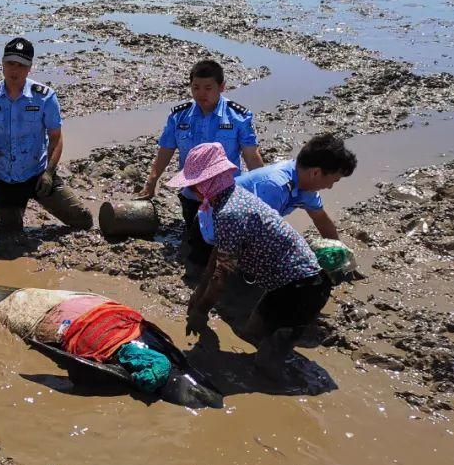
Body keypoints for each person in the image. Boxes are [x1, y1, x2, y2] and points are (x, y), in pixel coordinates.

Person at [173, 143, 331, 381]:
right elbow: (219, 251)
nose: (192, 191)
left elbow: (221, 278)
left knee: (267, 363)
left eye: (193, 185)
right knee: (251, 333)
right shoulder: (231, 196)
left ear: (202, 186)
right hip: (289, 284)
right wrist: (198, 292)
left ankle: (294, 382)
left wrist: (201, 311)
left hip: (303, 288)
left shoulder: (229, 212)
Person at [138, 59, 263, 265]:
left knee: (226, 252)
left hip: (226, 197)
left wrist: (261, 192)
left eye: (208, 88)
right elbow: (165, 151)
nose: (201, 94)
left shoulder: (238, 117)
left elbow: (252, 156)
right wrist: (151, 182)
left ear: (221, 87)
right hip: (192, 195)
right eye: (196, 87)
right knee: (197, 247)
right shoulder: (179, 116)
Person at [0, 38, 93, 236]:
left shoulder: (44, 97)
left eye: (21, 65)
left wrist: (49, 173)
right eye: (10, 63)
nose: (14, 70)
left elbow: (56, 137)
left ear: (29, 68)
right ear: (2, 63)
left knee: (83, 220)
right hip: (2, 179)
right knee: (10, 233)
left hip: (37, 175)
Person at [236, 134, 357, 240]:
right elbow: (258, 235)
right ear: (315, 173)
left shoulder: (306, 185)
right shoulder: (275, 186)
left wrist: (339, 254)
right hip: (223, 229)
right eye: (333, 181)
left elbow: (321, 219)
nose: (330, 187)